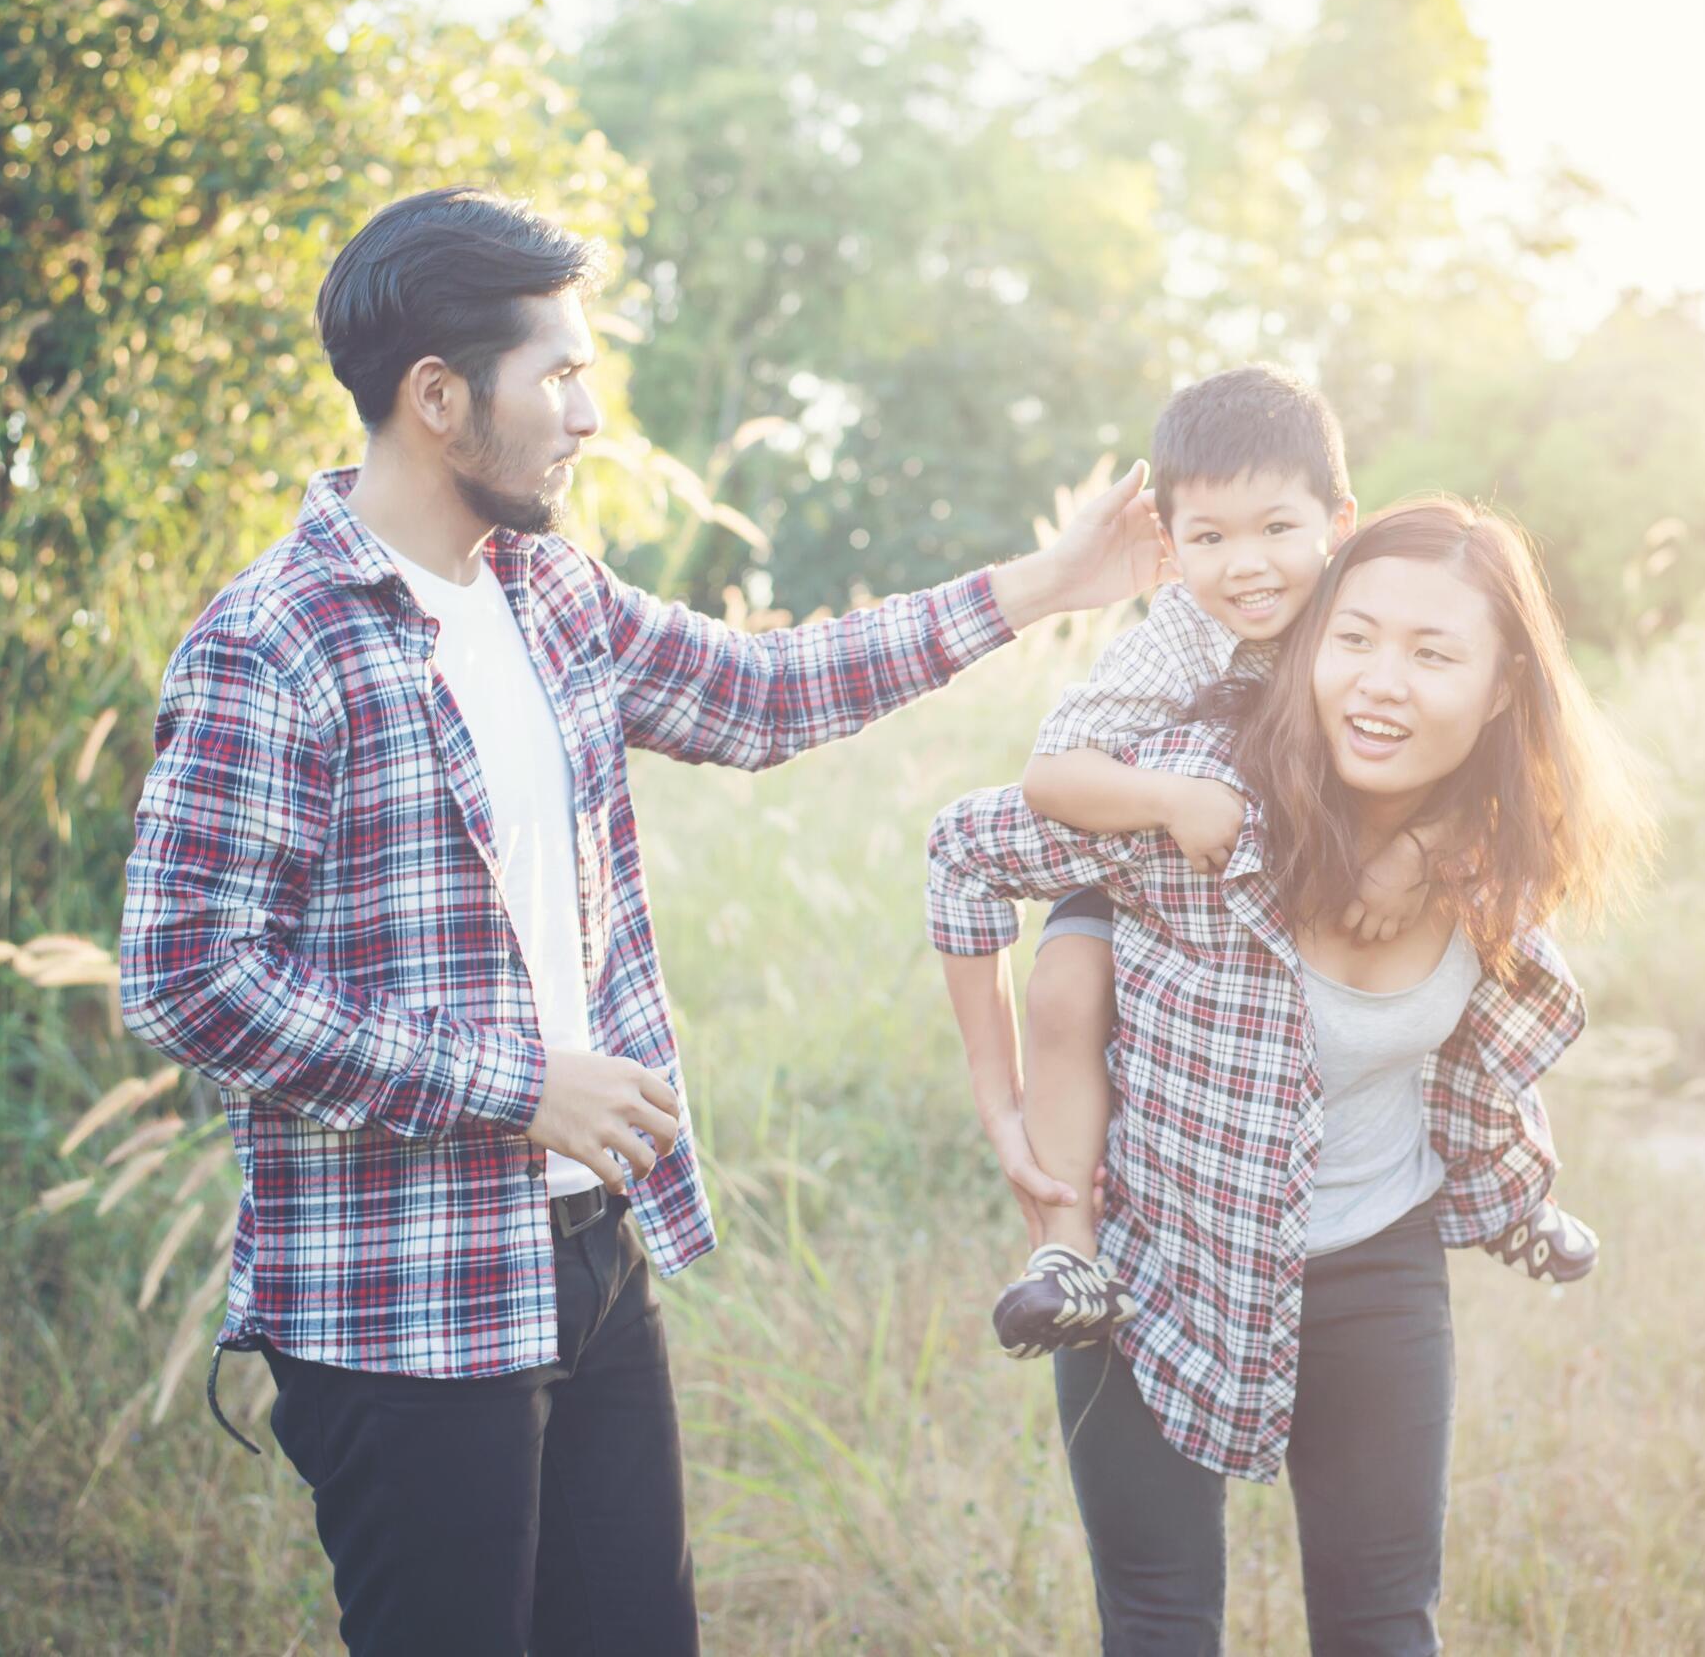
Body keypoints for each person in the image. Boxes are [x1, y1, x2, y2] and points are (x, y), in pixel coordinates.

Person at [117, 185, 1162, 1657]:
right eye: (557, 373)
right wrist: (516, 1085)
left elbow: (766, 689)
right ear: (436, 397)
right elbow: (186, 980)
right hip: (401, 1302)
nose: (588, 413)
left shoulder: (552, 595)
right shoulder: (270, 639)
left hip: (592, 1256)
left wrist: (1050, 584)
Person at [926, 497, 1655, 1653]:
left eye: (1433, 654)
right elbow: (965, 850)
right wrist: (1002, 1101)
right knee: (1159, 1623)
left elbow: (1486, 1063)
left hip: (1378, 1262)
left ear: (1504, 685)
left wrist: (1423, 850)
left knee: (1381, 1623)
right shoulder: (1202, 807)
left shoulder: (1494, 852)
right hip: (1155, 1260)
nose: (1380, 682)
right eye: (1353, 637)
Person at [940, 367, 1604, 1362]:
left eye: (1275, 530)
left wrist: (1421, 844)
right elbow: (1049, 777)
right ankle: (1066, 1248)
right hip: (1131, 839)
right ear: (1169, 547)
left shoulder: (1360, 603)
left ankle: (1513, 1189)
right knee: (1068, 990)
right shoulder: (1184, 638)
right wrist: (1170, 802)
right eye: (1209, 539)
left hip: (1257, 855)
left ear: (1338, 522)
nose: (1247, 567)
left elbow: (1464, 756)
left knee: (1468, 978)